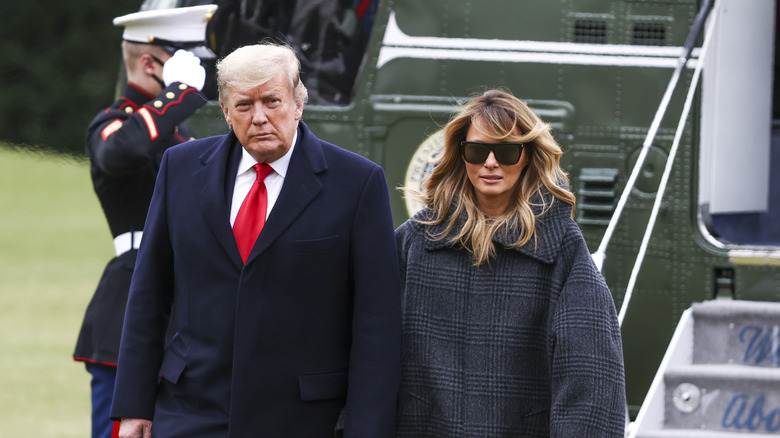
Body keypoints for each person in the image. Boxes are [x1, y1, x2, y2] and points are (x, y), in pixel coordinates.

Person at [109, 42, 401, 437]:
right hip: (190, 412)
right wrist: (133, 406)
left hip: (302, 419)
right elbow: (149, 295)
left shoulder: (357, 183)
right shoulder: (179, 169)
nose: (260, 117)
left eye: (272, 101)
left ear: (298, 103)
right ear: (226, 112)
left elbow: (376, 324)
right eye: (245, 105)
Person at [395, 89, 626, 437]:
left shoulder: (562, 247)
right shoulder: (414, 241)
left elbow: (591, 378)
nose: (490, 162)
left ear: (528, 156)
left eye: (505, 151)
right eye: (476, 150)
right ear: (460, 155)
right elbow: (365, 349)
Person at [72, 5, 217, 438]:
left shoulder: (181, 136)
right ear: (152, 63)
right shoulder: (113, 125)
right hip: (131, 303)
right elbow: (120, 154)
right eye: (186, 57)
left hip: (186, 309)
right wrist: (175, 95)